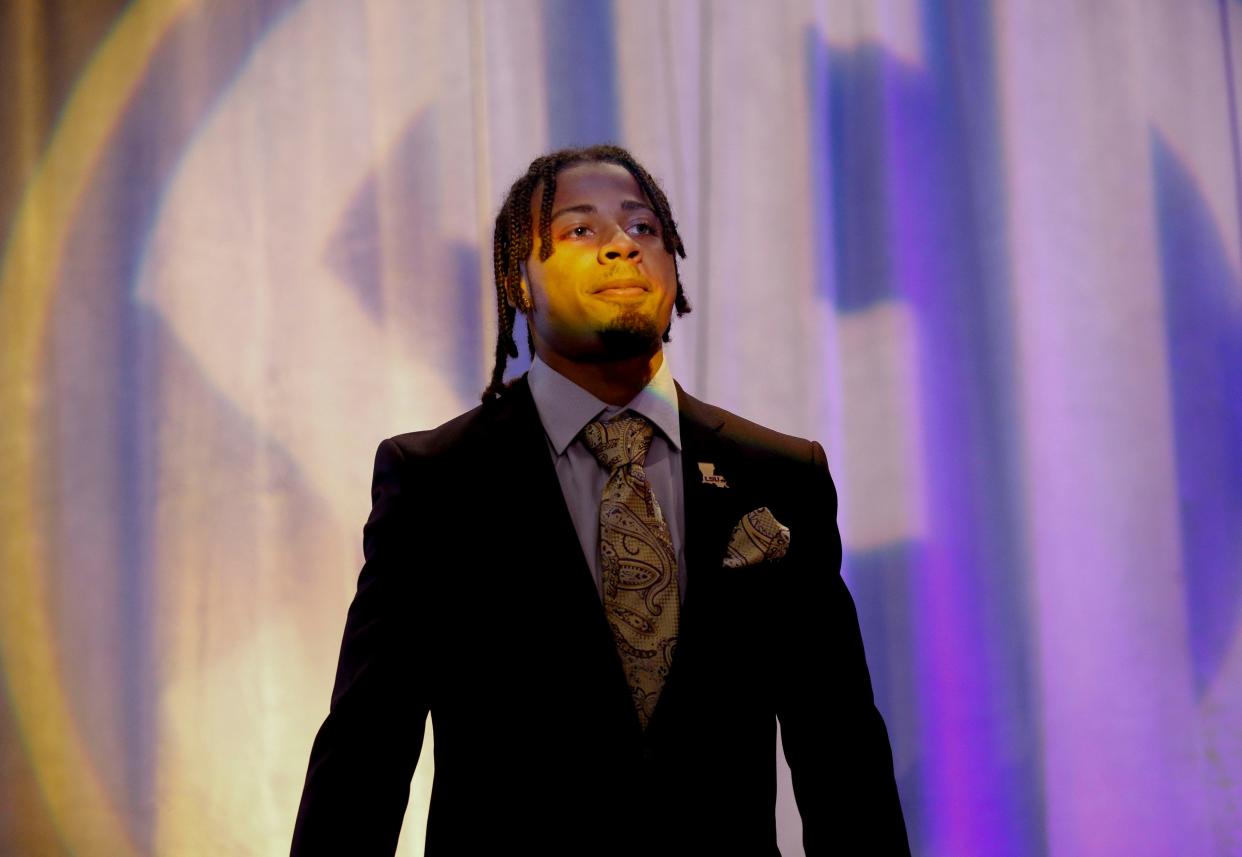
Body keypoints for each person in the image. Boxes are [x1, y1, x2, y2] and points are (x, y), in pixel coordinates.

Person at [290, 145, 910, 855]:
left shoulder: (780, 474)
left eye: (643, 227)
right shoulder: (437, 480)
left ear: (673, 265)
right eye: (580, 229)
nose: (621, 246)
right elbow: (366, 753)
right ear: (516, 279)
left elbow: (842, 755)